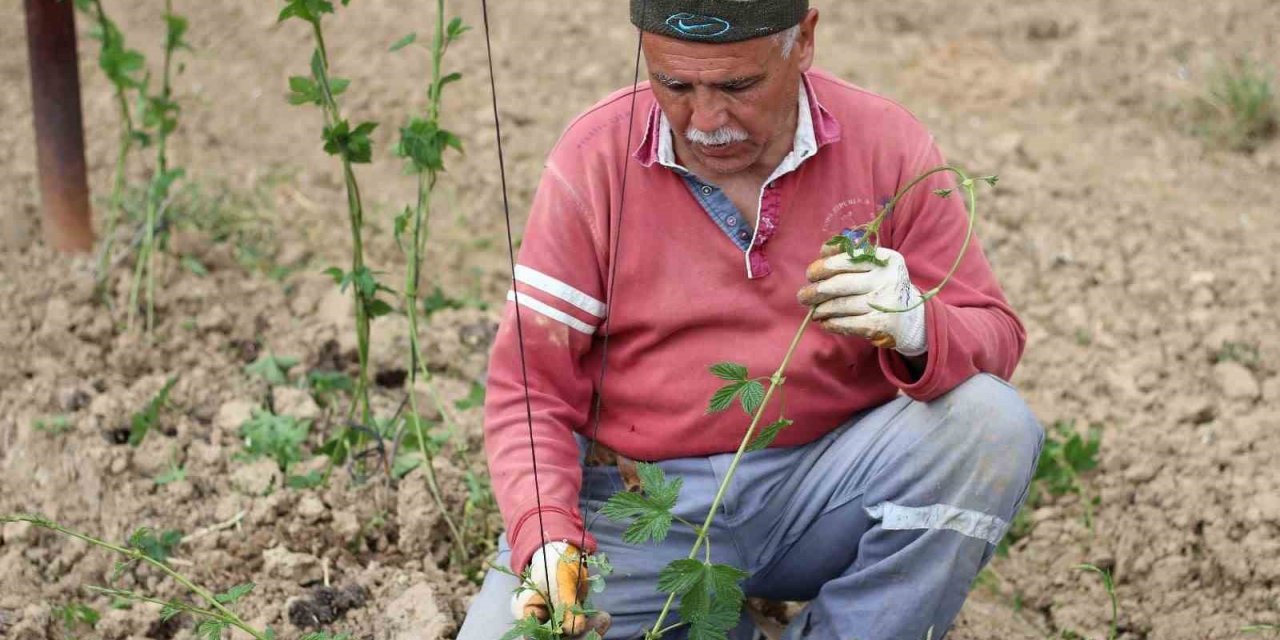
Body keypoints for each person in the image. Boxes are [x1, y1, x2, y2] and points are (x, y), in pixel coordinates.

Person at [458, 1, 1043, 638]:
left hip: (823, 492)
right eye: (674, 85)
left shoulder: (885, 143)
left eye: (738, 86)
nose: (706, 121)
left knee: (991, 423)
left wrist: (918, 326)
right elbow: (530, 386)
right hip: (643, 507)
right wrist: (545, 536)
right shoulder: (596, 157)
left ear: (804, 42)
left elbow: (996, 334)